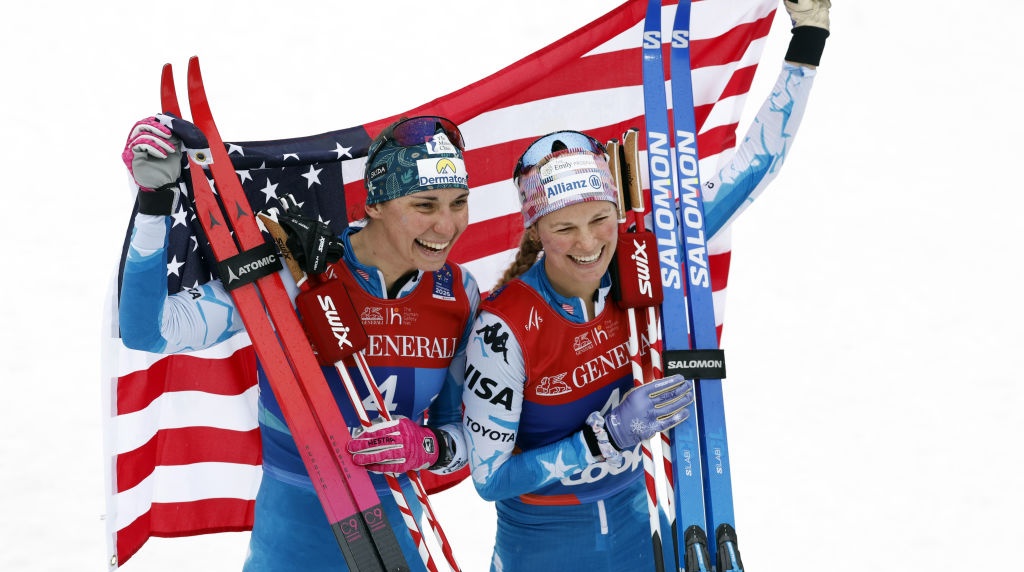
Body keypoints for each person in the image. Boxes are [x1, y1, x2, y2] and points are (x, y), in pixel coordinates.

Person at [460, 1, 831, 570]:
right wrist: (605, 435)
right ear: (535, 229)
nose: (588, 243)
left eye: (599, 220)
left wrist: (808, 39)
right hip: (543, 548)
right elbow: (491, 479)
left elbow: (756, 166)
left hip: (643, 531)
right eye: (564, 228)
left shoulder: (640, 259)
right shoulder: (502, 329)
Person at [118, 114, 480, 571]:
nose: (447, 227)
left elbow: (468, 436)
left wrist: (426, 446)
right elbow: (150, 330)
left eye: (459, 203)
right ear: (374, 204)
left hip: (395, 541)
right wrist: (154, 204)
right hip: (289, 546)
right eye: (425, 205)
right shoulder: (295, 270)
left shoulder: (459, 294)